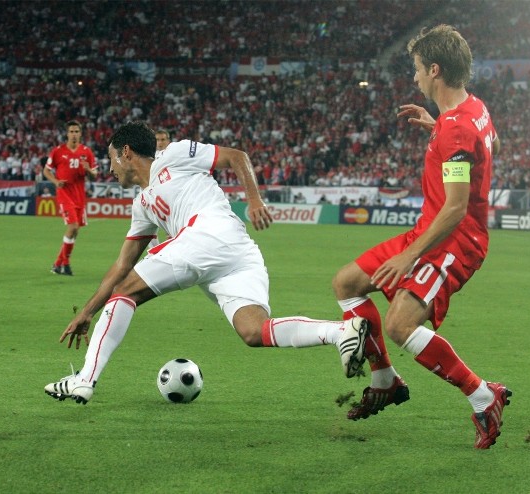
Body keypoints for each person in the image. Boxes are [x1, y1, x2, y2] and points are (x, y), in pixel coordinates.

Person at [44, 121, 369, 404]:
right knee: (254, 331)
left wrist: (254, 200)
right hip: (231, 253)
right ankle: (342, 331)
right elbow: (121, 265)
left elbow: (236, 157)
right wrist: (87, 311)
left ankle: (85, 379)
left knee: (125, 293)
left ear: (126, 152)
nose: (110, 168)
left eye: (112, 158)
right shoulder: (141, 204)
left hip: (211, 234)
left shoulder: (173, 154)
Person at [331, 25, 509, 449]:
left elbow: (455, 208)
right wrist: (441, 129)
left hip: (454, 241)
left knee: (399, 324)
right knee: (347, 284)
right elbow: (493, 146)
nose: (414, 78)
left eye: (416, 70)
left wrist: (410, 256)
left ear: (435, 69)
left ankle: (485, 396)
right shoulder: (472, 111)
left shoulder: (456, 130)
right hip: (431, 230)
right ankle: (385, 380)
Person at [43, 120, 97, 276]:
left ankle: (57, 264)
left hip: (79, 196)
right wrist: (55, 181)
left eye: (76, 131)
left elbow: (94, 176)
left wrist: (89, 171)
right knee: (72, 227)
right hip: (64, 194)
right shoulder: (58, 151)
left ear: (80, 134)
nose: (74, 134)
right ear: (67, 134)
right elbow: (46, 171)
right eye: (71, 131)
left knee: (75, 231)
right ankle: (65, 264)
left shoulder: (87, 152)